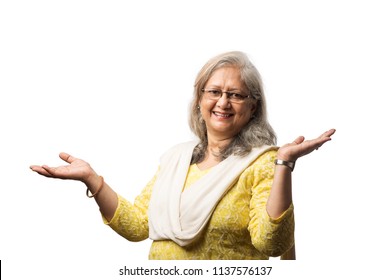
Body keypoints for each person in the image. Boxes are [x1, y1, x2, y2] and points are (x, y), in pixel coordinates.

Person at [30, 51, 335, 260]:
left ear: (253, 106)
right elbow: (138, 226)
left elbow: (272, 244)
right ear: (200, 100)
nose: (223, 102)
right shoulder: (177, 159)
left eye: (236, 94)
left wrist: (284, 163)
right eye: (214, 91)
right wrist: (91, 178)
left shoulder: (261, 163)